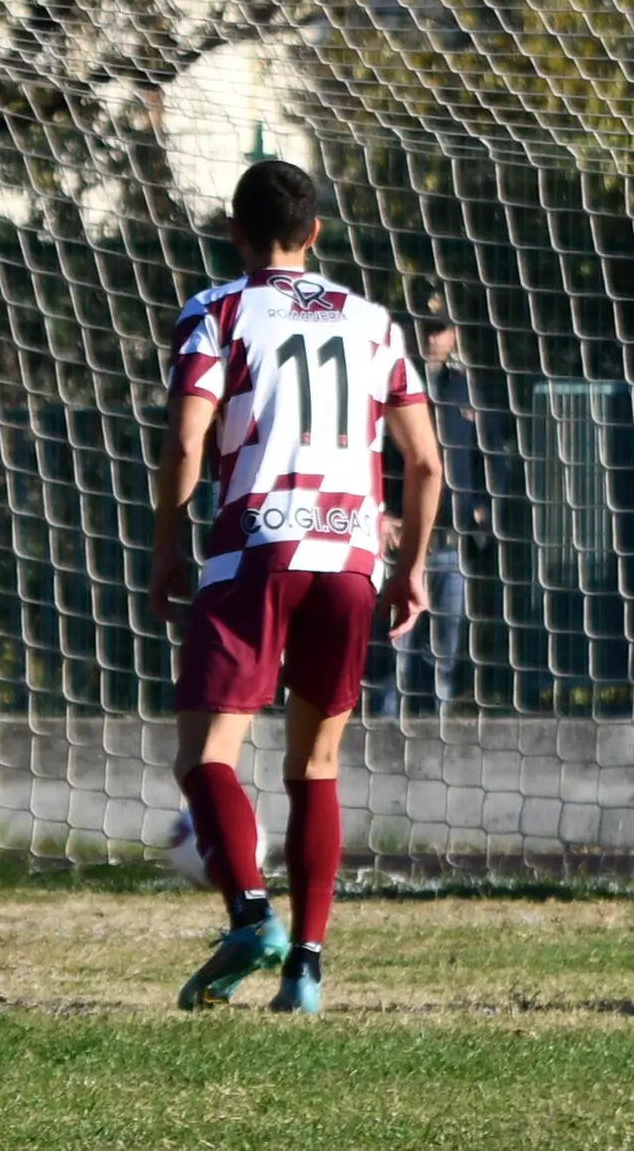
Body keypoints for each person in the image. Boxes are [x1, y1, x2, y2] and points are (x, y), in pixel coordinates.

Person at [151, 159, 444, 1018]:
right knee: (316, 765)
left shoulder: (215, 312)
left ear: (236, 233)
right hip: (351, 558)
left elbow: (185, 446)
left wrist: (167, 547)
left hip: (254, 551)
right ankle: (306, 972)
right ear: (315, 233)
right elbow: (424, 463)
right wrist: (412, 566)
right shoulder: (371, 321)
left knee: (205, 758)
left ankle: (250, 913)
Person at [368, 308, 480, 719]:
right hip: (402, 536)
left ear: (453, 335)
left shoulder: (463, 389)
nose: (434, 339)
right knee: (394, 645)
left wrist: (480, 509)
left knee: (445, 644)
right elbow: (375, 454)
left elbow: (486, 454)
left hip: (448, 540)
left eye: (441, 330)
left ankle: (439, 722)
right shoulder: (395, 384)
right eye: (427, 330)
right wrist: (380, 513)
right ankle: (382, 725)